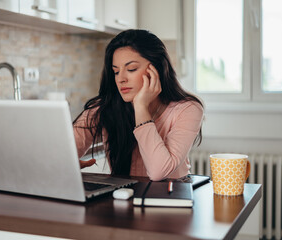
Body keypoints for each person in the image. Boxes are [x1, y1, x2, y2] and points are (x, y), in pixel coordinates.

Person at [73, 29, 203, 181]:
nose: (121, 79)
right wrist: (65, 162)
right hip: (125, 198)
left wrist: (141, 107)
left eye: (131, 69)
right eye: (115, 72)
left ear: (157, 69)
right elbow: (62, 153)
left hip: (172, 198)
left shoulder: (188, 109)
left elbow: (158, 172)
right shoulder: (103, 108)